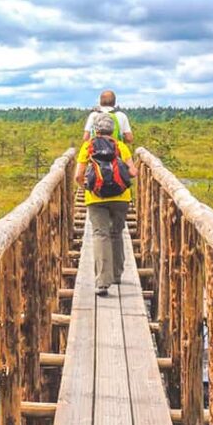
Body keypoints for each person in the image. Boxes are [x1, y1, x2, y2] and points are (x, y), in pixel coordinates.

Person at [75, 113, 137, 296]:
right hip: (121, 197)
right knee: (116, 233)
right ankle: (117, 275)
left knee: (100, 234)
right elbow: (133, 172)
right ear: (112, 129)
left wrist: (86, 187)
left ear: (95, 129)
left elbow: (77, 176)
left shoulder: (88, 146)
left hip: (96, 198)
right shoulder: (121, 146)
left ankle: (103, 282)